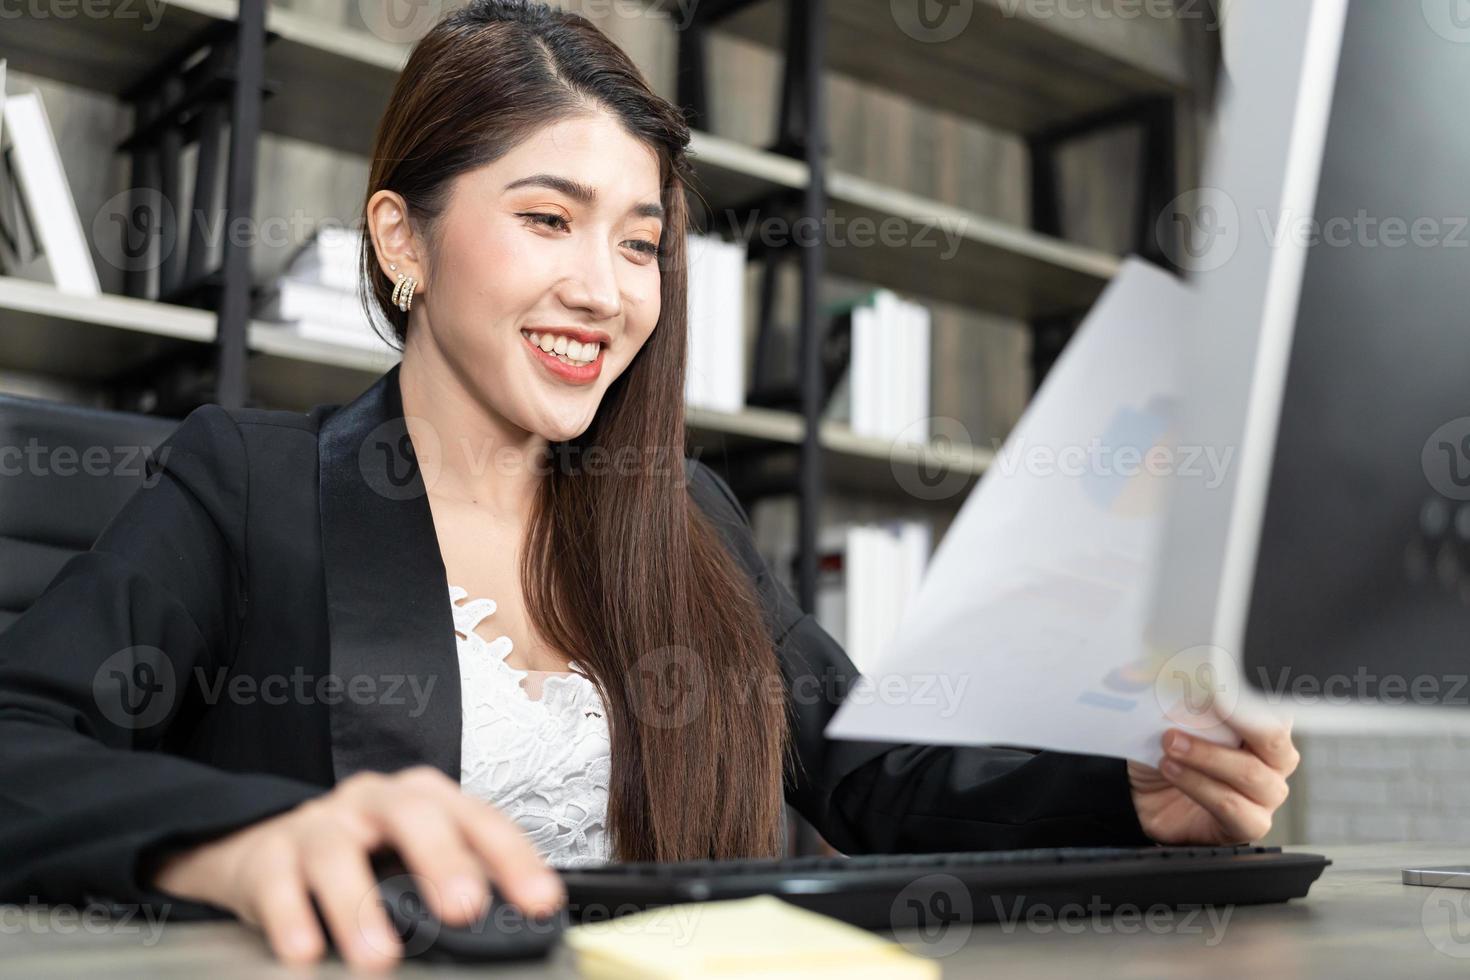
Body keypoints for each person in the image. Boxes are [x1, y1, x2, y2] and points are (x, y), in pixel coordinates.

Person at [0, 0, 1299, 969]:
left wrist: (1122, 789)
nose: (606, 290)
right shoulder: (248, 484)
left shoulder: (681, 517)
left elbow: (873, 776)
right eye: (548, 219)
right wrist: (238, 842)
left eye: (641, 243)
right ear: (402, 238)